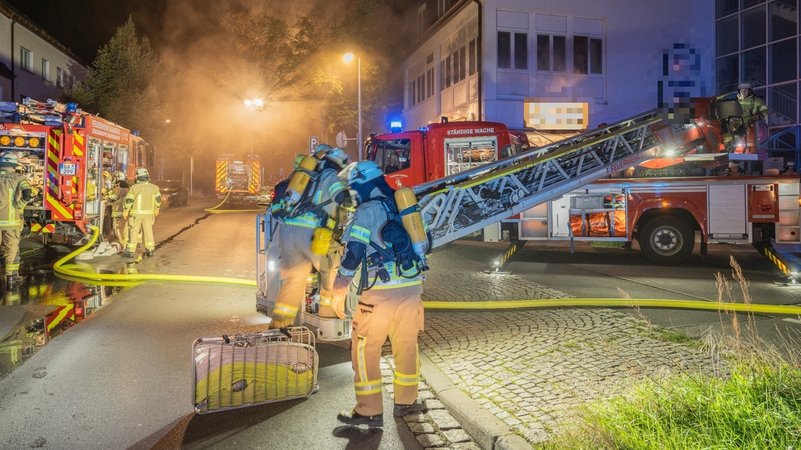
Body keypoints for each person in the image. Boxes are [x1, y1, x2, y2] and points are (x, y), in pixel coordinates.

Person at [332, 160, 428, 428]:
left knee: (365, 350)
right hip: (411, 291)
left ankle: (368, 409)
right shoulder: (406, 206)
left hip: (379, 296)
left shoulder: (366, 211)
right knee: (407, 346)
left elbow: (354, 253)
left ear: (361, 186)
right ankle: (406, 402)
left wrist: (338, 290)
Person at [266, 145, 351, 328]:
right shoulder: (332, 176)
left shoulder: (305, 177)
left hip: (288, 233)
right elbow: (344, 199)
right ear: (340, 164)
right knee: (332, 269)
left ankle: (279, 324)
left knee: (295, 279)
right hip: (313, 234)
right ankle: (327, 315)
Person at [0, 153, 33, 288]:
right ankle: (11, 278)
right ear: (14, 165)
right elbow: (27, 194)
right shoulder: (19, 178)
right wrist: (19, 205)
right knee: (11, 248)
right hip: (11, 222)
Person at [122, 167, 161, 258]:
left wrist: (126, 211)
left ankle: (130, 251)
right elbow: (158, 200)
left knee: (134, 231)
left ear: (138, 177)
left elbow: (129, 201)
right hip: (149, 214)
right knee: (148, 231)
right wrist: (157, 209)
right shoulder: (154, 188)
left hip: (136, 214)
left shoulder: (134, 188)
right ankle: (150, 250)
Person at [104, 171, 130, 252]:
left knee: (117, 228)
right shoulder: (128, 187)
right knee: (125, 228)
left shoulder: (118, 188)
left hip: (118, 211)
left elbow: (113, 197)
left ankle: (122, 245)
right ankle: (126, 244)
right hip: (126, 212)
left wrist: (105, 193)